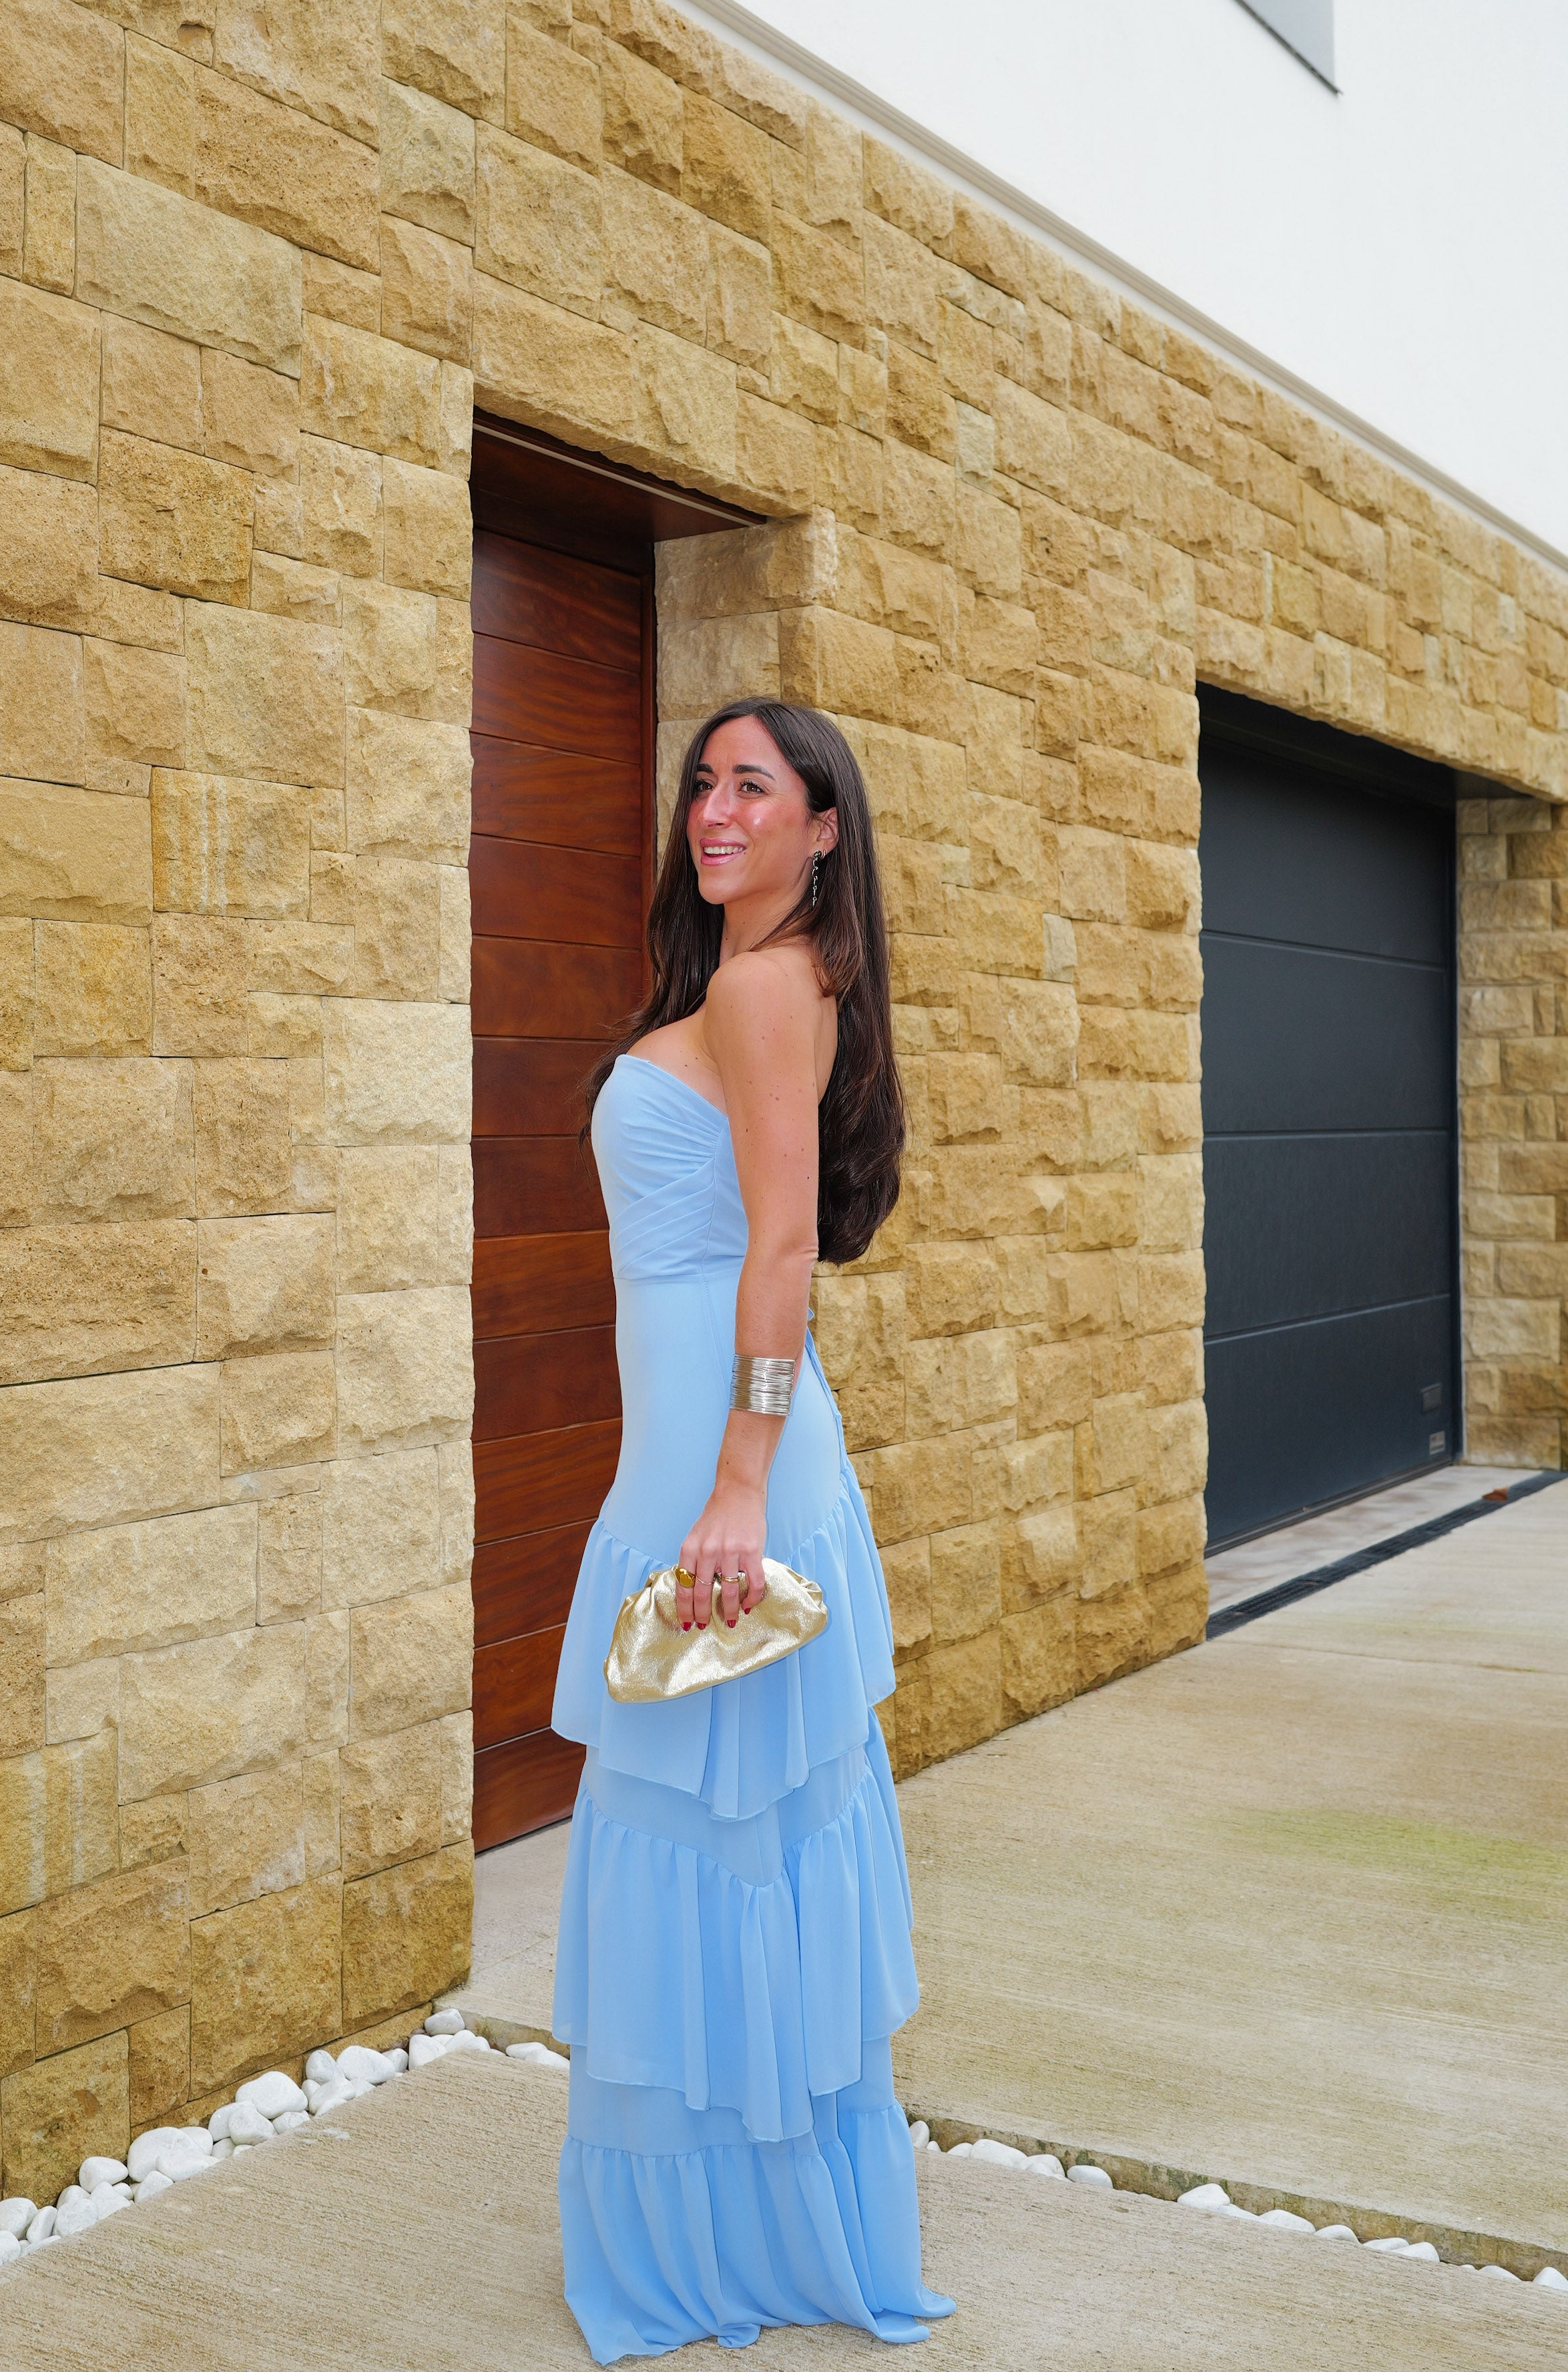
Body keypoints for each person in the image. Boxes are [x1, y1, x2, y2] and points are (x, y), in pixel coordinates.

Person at [549, 697, 957, 2361]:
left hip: (734, 1470)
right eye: (700, 784)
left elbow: (780, 1246)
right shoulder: (751, 984)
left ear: (823, 825)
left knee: (719, 1839)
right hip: (700, 1456)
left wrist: (733, 1476)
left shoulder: (764, 983)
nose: (712, 810)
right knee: (725, 1845)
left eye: (752, 786)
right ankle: (750, 2228)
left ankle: (724, 2241)